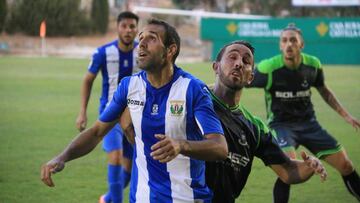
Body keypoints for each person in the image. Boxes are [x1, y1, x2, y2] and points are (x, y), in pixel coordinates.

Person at [41, 18, 228, 203]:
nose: (142, 44)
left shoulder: (192, 89)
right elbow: (97, 132)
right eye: (141, 37)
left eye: (152, 38)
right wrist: (62, 157)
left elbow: (219, 148)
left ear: (170, 50)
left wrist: (181, 145)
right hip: (142, 198)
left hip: (186, 198)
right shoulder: (129, 86)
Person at [120, 40, 328, 203]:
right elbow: (130, 121)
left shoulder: (254, 128)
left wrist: (309, 167)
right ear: (216, 67)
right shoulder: (187, 97)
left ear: (250, 77)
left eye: (246, 61)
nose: (239, 63)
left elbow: (288, 171)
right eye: (233, 57)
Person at [248, 23, 360, 202]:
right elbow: (240, 80)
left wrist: (346, 115)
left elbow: (324, 91)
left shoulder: (313, 65)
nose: (288, 44)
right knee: (288, 170)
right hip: (281, 125)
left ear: (301, 44)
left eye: (293, 40)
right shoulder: (269, 68)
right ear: (280, 45)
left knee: (346, 165)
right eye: (284, 41)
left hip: (310, 125)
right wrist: (213, 88)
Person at [75, 11, 139, 203]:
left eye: (132, 26)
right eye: (124, 26)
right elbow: (87, 80)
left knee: (129, 170)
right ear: (117, 28)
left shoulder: (142, 53)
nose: (128, 30)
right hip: (110, 115)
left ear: (137, 29)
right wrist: (82, 113)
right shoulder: (103, 52)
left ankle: (107, 199)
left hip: (135, 115)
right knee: (116, 157)